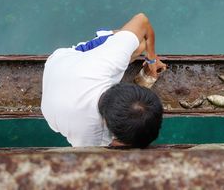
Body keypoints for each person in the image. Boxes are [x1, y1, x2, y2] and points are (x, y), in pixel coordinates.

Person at [41, 13, 167, 148]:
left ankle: (111, 38)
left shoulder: (108, 63)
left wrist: (151, 59)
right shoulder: (93, 135)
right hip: (53, 102)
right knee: (140, 45)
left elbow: (142, 20)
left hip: (61, 61)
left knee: (140, 45)